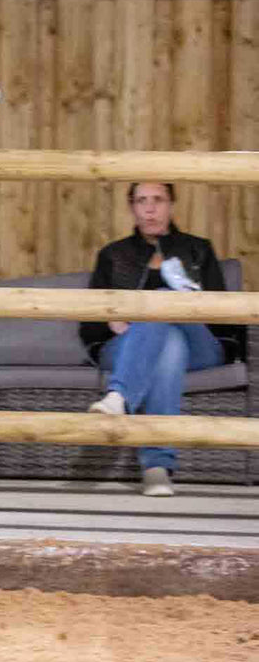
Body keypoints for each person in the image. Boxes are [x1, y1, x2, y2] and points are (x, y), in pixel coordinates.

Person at [79, 182, 244, 497]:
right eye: (142, 201)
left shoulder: (199, 250)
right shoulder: (113, 255)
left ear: (171, 205)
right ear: (132, 207)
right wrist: (109, 321)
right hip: (126, 346)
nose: (150, 208)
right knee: (169, 346)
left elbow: (224, 316)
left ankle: (119, 396)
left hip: (200, 344)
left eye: (158, 200)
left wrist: (182, 311)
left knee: (163, 300)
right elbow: (90, 323)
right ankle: (156, 468)